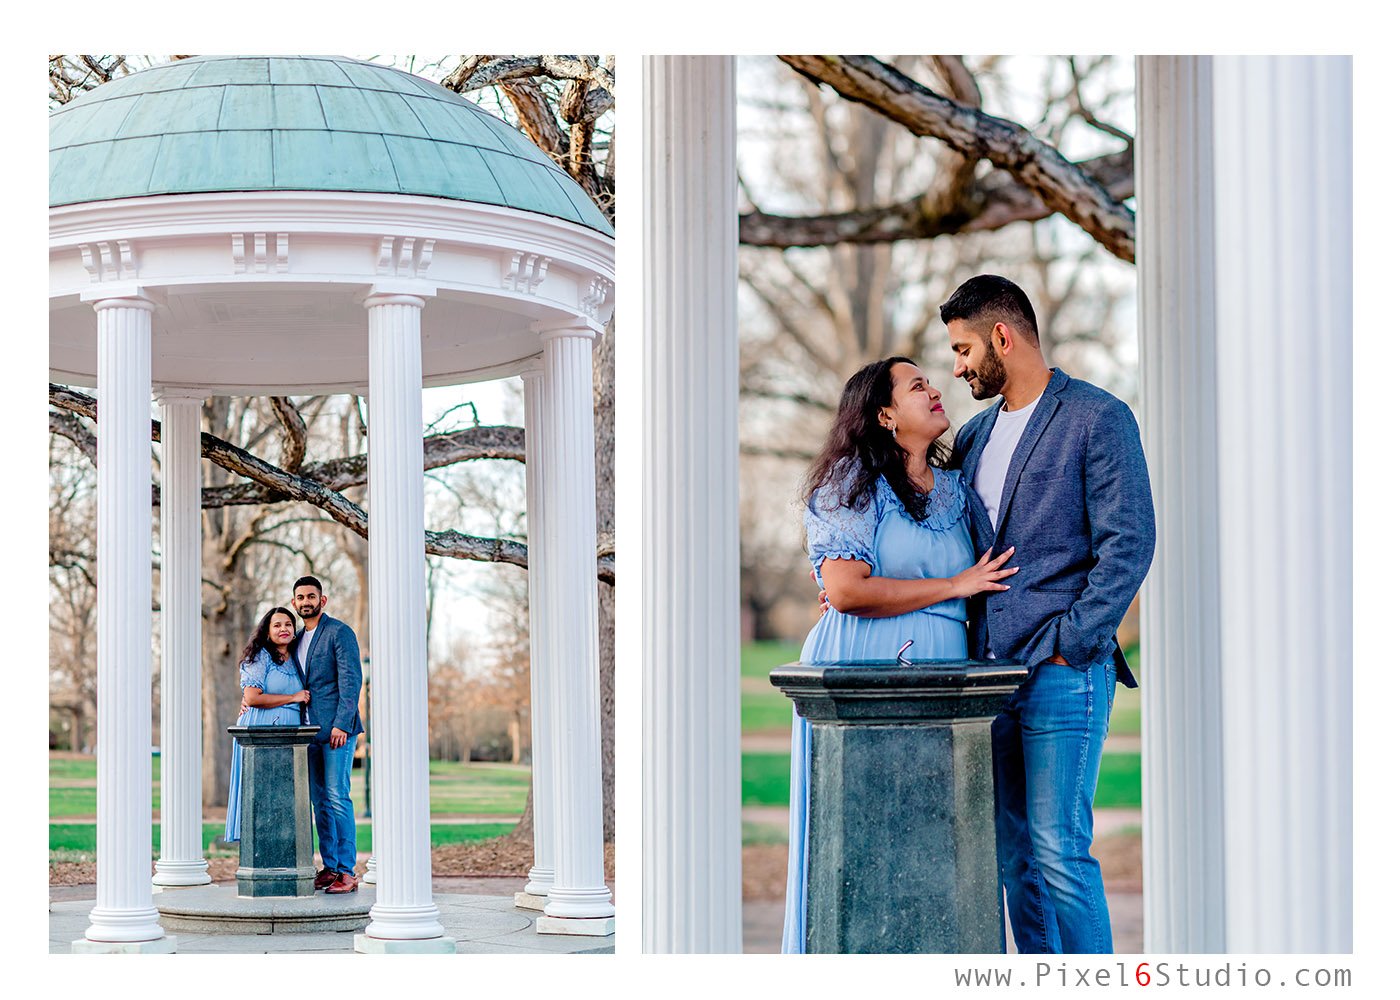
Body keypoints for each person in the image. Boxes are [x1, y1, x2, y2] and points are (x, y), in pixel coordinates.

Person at [942, 273, 1155, 954]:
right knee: (1015, 861)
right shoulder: (973, 438)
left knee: (1060, 850)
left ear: (1002, 336)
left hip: (1063, 671)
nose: (957, 366)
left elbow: (1130, 541)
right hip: (989, 678)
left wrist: (1074, 640)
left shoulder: (1098, 416)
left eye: (963, 348)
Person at [782, 356, 1018, 954]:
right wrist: (953, 586)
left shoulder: (959, 490)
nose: (935, 388)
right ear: (884, 414)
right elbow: (844, 589)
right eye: (917, 386)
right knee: (861, 841)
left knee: (935, 841)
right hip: (861, 668)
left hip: (945, 674)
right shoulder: (849, 482)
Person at [284, 575, 364, 895]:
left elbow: (351, 680)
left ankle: (347, 870)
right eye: (300, 597)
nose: (306, 601)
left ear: (322, 600)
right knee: (320, 802)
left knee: (337, 797)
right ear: (294, 603)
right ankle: (329, 867)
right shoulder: (296, 639)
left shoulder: (339, 633)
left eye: (311, 596)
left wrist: (342, 724)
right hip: (309, 733)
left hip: (336, 732)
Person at [224, 607, 310, 842]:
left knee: (283, 797)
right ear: (267, 631)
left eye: (288, 624)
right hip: (260, 730)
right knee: (260, 795)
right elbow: (252, 698)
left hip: (290, 734)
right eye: (277, 625)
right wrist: (293, 698)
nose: (284, 629)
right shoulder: (260, 656)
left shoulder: (297, 655)